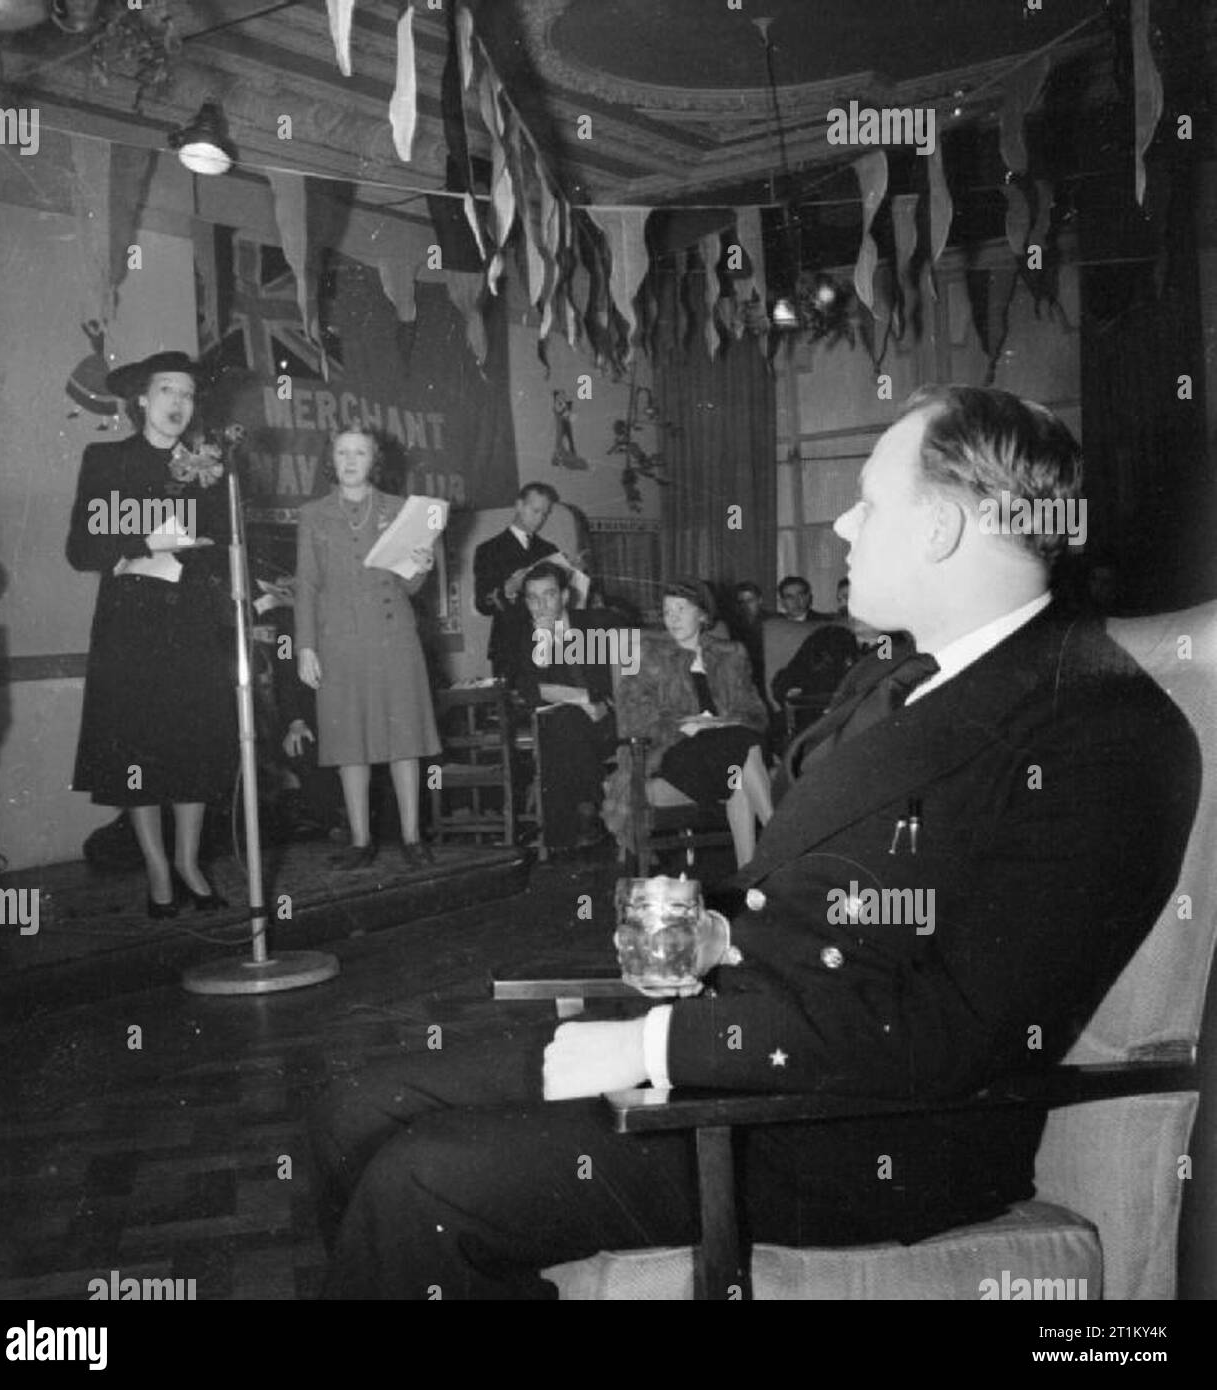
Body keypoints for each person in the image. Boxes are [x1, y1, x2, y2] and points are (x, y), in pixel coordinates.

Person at [312, 385, 1200, 1300]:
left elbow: (951, 1033)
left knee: (423, 1184)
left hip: (856, 1129)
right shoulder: (895, 677)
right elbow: (814, 895)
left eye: (868, 502)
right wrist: (719, 935)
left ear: (939, 528)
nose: (846, 529)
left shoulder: (1100, 728)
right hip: (747, 1043)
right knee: (357, 1108)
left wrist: (652, 1046)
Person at [67, 351, 236, 917]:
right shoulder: (108, 460)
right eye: (167, 391)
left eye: (187, 395)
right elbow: (83, 548)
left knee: (192, 745)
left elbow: (225, 542)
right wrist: (146, 542)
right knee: (139, 746)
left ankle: (189, 862)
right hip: (132, 625)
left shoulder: (210, 466)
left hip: (192, 621)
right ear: (142, 398)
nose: (178, 404)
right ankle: (158, 869)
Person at [295, 428, 440, 870]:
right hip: (338, 641)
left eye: (360, 452)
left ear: (374, 460)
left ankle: (413, 838)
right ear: (332, 460)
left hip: (392, 637)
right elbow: (306, 584)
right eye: (342, 452)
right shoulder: (313, 514)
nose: (351, 460)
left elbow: (411, 584)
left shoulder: (402, 510)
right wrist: (305, 647)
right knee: (348, 742)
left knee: (403, 740)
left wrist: (421, 564)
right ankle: (360, 841)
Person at [603, 578, 772, 870]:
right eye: (667, 611)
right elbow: (630, 717)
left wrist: (718, 723)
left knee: (738, 752)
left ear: (703, 614)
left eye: (681, 609)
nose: (673, 618)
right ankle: (779, 838)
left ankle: (750, 872)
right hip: (673, 751)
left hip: (725, 748)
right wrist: (683, 725)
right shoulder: (646, 654)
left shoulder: (731, 653)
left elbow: (756, 713)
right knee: (743, 749)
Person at [510, 562, 617, 850]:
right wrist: (584, 699)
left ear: (565, 596)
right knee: (566, 721)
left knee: (563, 726)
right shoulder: (526, 637)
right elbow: (533, 692)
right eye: (532, 598)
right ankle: (588, 810)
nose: (541, 605)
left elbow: (622, 677)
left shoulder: (595, 623)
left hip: (610, 719)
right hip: (566, 726)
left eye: (549, 595)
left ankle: (569, 826)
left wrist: (604, 704)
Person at [472, 483, 586, 684]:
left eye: (545, 513)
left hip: (549, 641)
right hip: (510, 646)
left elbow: (566, 601)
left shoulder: (549, 550)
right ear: (519, 505)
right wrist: (507, 590)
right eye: (535, 511)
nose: (540, 518)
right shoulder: (489, 550)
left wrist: (574, 575)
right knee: (518, 710)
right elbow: (482, 604)